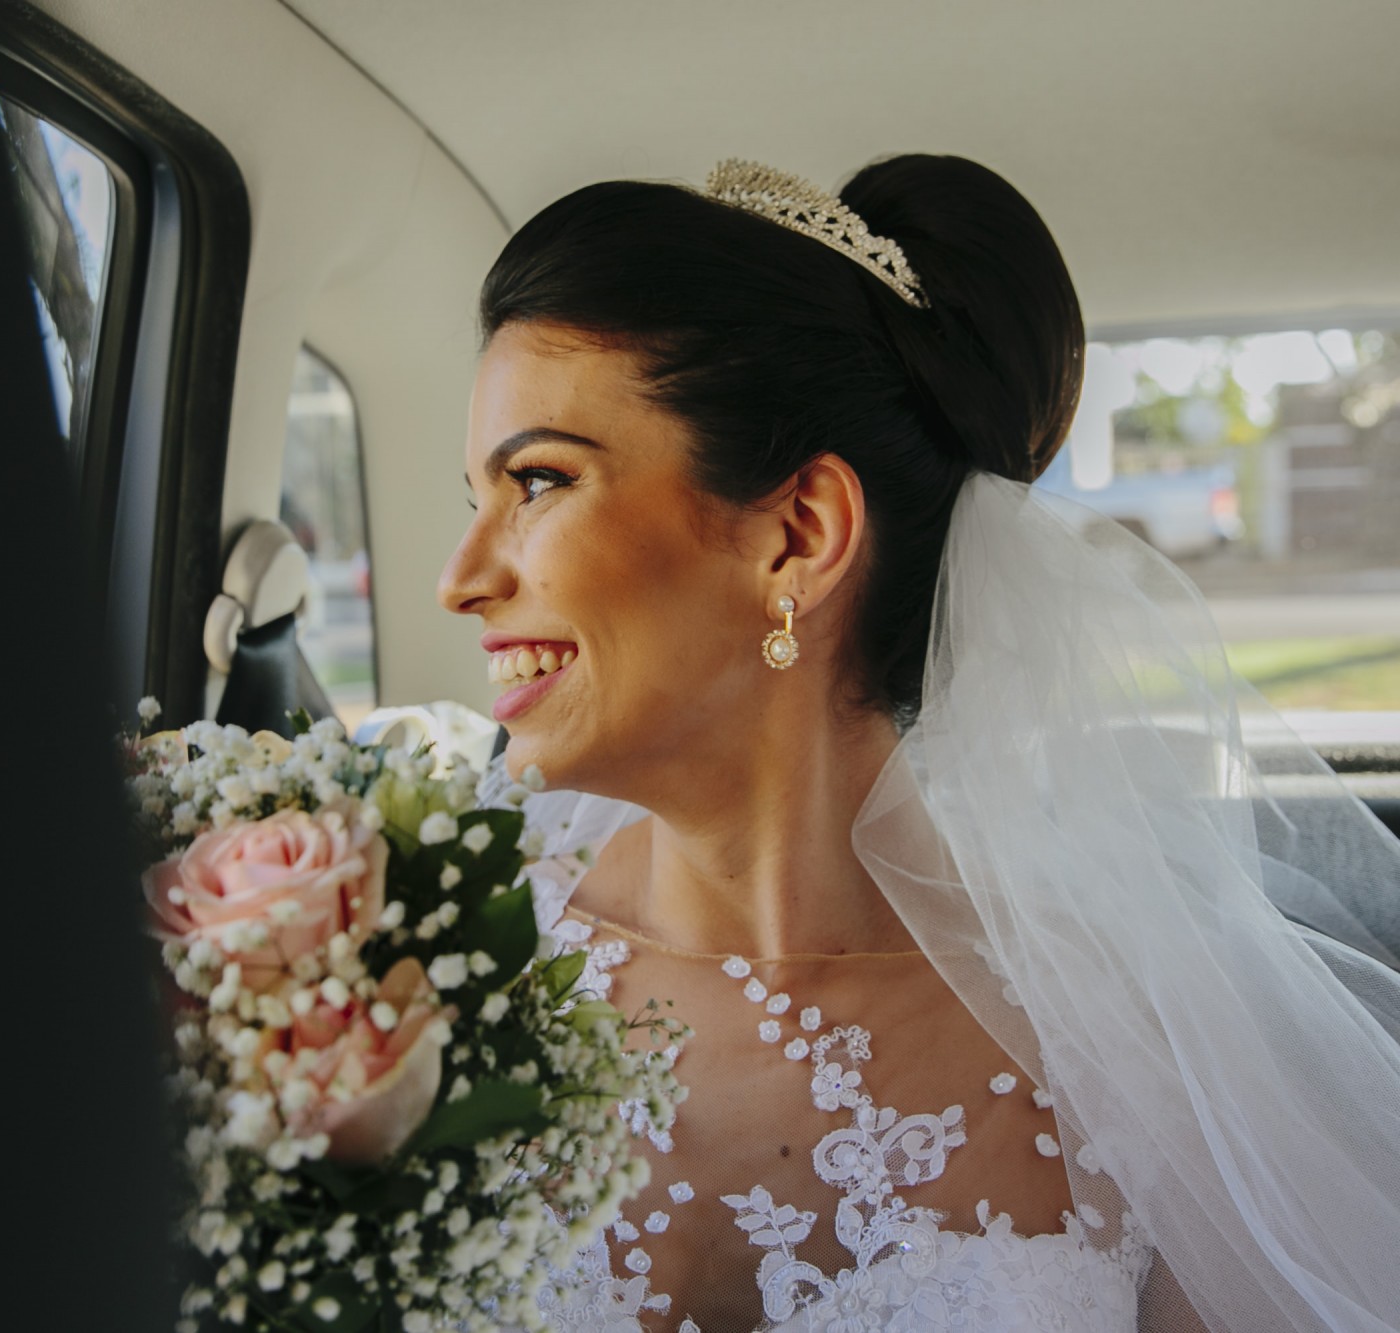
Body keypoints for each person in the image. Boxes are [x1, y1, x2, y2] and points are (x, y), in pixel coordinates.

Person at [438, 155, 1400, 1331]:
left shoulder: (1137, 1073)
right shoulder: (421, 976)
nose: (461, 579)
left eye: (537, 481)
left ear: (798, 533)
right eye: (473, 497)